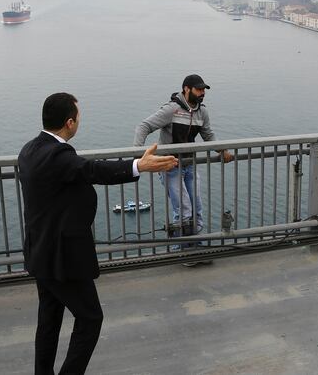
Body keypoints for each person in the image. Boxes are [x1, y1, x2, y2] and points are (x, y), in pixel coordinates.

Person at [18, 92, 177, 374]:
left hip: (40, 252)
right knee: (90, 318)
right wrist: (138, 165)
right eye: (78, 116)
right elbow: (92, 170)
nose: (79, 120)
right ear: (69, 123)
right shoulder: (58, 154)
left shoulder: (29, 150)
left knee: (49, 320)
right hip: (62, 258)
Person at [133, 74, 232, 254]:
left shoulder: (202, 112)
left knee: (197, 210)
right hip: (170, 167)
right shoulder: (172, 110)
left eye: (204, 90)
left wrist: (222, 151)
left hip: (190, 165)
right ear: (186, 89)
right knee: (184, 210)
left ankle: (193, 246)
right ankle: (180, 250)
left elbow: (208, 134)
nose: (202, 93)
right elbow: (144, 126)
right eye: (199, 89)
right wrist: (138, 155)